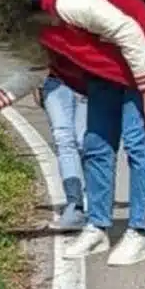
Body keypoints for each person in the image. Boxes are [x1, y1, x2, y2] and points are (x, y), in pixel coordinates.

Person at [0, 0, 145, 266]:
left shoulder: (73, 2)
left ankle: (138, 232)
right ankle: (97, 226)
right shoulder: (45, 26)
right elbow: (40, 68)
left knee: (138, 142)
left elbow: (131, 34)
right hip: (105, 65)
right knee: (96, 142)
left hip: (143, 49)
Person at [39, 65, 88, 231]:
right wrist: (37, 82)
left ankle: (93, 201)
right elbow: (36, 51)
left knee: (84, 141)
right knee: (63, 140)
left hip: (88, 82)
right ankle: (75, 205)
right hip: (55, 81)